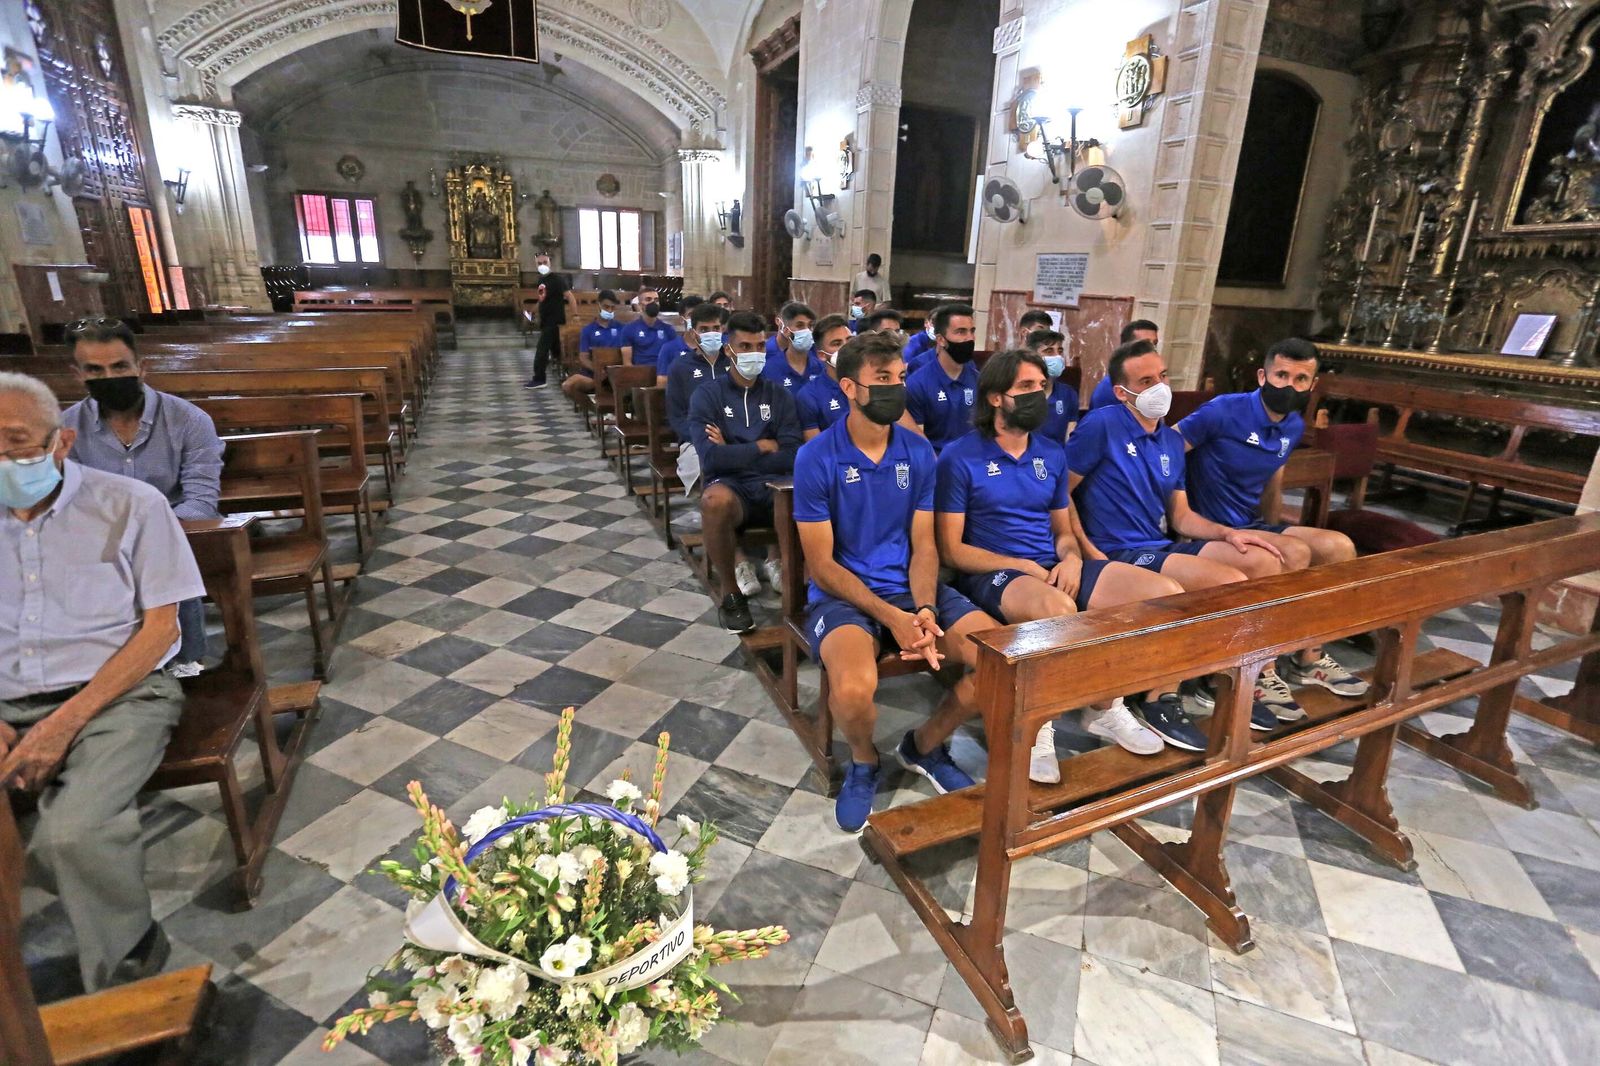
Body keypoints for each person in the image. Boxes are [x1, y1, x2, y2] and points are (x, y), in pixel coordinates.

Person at [0, 372, 205, 991]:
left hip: (117, 695)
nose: (3, 459)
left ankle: (125, 969)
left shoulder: (131, 505)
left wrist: (60, 726)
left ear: (60, 443)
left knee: (73, 833)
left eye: (15, 441)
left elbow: (160, 630)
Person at [936, 351, 1175, 781]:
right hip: (993, 571)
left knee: (1162, 596)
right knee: (1057, 613)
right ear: (994, 398)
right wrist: (1020, 564)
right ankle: (1037, 725)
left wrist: (1069, 556)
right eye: (1025, 387)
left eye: (1040, 386)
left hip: (1051, 563)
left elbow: (1063, 529)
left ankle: (1106, 706)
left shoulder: (1050, 452)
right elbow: (951, 550)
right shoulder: (959, 457)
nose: (1038, 395)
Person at [792, 332, 990, 833]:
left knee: (1000, 662)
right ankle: (864, 761)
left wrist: (922, 609)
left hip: (910, 587)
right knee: (856, 691)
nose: (896, 389)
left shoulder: (919, 452)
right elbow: (821, 565)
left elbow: (925, 545)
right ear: (849, 388)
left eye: (900, 378)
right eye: (882, 380)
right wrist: (893, 619)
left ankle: (923, 745)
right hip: (845, 595)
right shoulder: (818, 458)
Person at [1068, 340, 1287, 749]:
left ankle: (1214, 677)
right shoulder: (1102, 424)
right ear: (1122, 392)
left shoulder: (1169, 440)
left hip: (1158, 542)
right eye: (1146, 381)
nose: (1160, 387)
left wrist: (1227, 533)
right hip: (1119, 549)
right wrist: (1083, 548)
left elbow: (1181, 515)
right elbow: (1061, 493)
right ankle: (1159, 695)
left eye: (1163, 376)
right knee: (1218, 583)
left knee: (1249, 566)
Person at [1176, 338, 1369, 713]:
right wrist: (1175, 518)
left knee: (1339, 547)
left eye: (1300, 379)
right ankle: (1256, 667)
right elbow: (1165, 455)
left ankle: (1307, 656)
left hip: (1250, 523)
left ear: (1312, 385)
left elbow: (1273, 482)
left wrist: (1274, 526)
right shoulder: (1222, 411)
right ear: (1263, 375)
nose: (1288, 386)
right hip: (1207, 525)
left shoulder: (1293, 425)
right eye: (1281, 375)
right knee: (1291, 552)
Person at [60, 318, 223, 676]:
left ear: (140, 367)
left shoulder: (188, 420)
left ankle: (183, 661)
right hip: (100, 547)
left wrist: (151, 534)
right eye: (94, 369)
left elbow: (201, 499)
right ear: (78, 375)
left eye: (119, 366)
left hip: (177, 533)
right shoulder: (65, 430)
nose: (109, 377)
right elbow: (67, 504)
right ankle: (106, 670)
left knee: (162, 562)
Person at [688, 311, 800, 633]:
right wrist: (762, 446)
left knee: (814, 492)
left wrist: (734, 451)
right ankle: (730, 593)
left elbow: (792, 455)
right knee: (713, 501)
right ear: (729, 350)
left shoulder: (779, 395)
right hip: (734, 487)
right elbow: (710, 459)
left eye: (760, 346)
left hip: (775, 486)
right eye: (745, 346)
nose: (754, 354)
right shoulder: (707, 396)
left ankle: (800, 587)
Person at [905, 302, 979, 452]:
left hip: (973, 461)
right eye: (961, 332)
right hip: (936, 463)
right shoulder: (918, 383)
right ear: (941, 340)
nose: (969, 338)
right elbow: (916, 441)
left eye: (972, 331)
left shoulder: (980, 380)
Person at [561, 290, 631, 404]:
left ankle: (619, 411)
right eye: (606, 307)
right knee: (568, 385)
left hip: (617, 373)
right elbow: (583, 357)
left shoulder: (622, 329)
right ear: (599, 305)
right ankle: (591, 407)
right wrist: (597, 370)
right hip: (594, 373)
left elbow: (628, 353)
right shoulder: (588, 330)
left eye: (612, 308)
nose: (609, 310)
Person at [796, 314, 853, 440]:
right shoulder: (809, 396)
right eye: (837, 343)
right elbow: (815, 450)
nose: (846, 348)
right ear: (821, 355)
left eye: (849, 340)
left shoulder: (870, 383)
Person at [525, 252, 575, 389]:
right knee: (557, 351)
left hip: (555, 321)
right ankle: (569, 376)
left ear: (550, 263)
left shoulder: (557, 280)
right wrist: (532, 312)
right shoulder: (541, 280)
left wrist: (575, 316)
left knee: (541, 350)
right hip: (546, 320)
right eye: (539, 263)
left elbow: (570, 297)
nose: (542, 265)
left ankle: (539, 378)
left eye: (544, 263)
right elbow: (542, 300)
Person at [1089, 319, 1159, 409]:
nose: (1152, 350)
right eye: (1145, 344)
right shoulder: (1109, 389)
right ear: (1127, 348)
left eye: (1154, 344)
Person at [1025, 328, 1079, 443]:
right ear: (1032, 355)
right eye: (1049, 351)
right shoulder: (1019, 392)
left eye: (1059, 351)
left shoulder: (1069, 394)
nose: (1057, 357)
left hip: (1056, 457)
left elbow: (1069, 438)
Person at [762, 301, 824, 397]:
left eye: (810, 326)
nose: (807, 331)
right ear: (786, 331)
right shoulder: (768, 366)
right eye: (800, 326)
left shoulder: (820, 366)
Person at [622, 286, 676, 376]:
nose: (653, 303)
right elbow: (627, 363)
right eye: (648, 299)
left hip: (663, 374)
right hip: (640, 375)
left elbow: (674, 358)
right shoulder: (629, 329)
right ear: (640, 305)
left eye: (656, 300)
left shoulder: (668, 329)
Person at [903, 304, 943, 371]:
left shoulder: (951, 343)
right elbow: (904, 368)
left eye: (942, 324)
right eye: (934, 323)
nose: (938, 327)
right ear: (926, 323)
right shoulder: (913, 343)